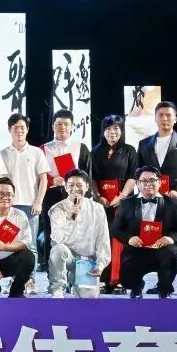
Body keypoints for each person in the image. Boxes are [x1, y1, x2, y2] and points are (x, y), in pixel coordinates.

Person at [136, 101, 177, 296]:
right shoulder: (144, 144)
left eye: (168, 115)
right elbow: (138, 172)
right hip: (154, 200)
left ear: (175, 118)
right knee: (159, 241)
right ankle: (163, 282)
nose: (165, 118)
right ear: (155, 118)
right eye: (161, 115)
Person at [111, 166, 177, 299]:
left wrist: (170, 239)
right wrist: (129, 239)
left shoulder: (173, 203)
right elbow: (115, 230)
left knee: (173, 254)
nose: (148, 184)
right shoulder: (126, 204)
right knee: (127, 278)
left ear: (160, 182)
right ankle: (137, 286)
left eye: (152, 180)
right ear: (137, 183)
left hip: (162, 248)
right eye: (144, 181)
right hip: (137, 249)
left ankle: (164, 290)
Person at [40, 109, 93, 276]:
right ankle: (53, 275)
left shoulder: (81, 147)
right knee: (51, 233)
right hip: (51, 195)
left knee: (77, 233)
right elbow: (38, 175)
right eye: (58, 124)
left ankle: (77, 274)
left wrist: (84, 199)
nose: (62, 127)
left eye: (66, 124)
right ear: (53, 126)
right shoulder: (44, 148)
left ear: (71, 127)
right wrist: (51, 180)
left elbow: (88, 175)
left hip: (75, 197)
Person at [90, 114, 138, 288]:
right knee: (102, 238)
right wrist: (97, 196)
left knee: (120, 239)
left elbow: (133, 176)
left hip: (122, 201)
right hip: (101, 202)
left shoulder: (129, 150)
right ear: (103, 131)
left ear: (121, 130)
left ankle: (119, 280)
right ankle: (103, 279)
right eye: (108, 128)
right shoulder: (95, 151)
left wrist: (122, 196)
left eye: (116, 128)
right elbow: (91, 177)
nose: (112, 132)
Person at [47, 169, 111, 298]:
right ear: (65, 187)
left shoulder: (97, 209)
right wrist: (69, 219)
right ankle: (57, 288)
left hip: (87, 260)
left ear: (87, 186)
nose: (75, 189)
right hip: (68, 257)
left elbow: (103, 239)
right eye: (71, 185)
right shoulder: (57, 209)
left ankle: (75, 281)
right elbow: (56, 238)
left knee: (89, 299)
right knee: (58, 249)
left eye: (79, 185)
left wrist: (100, 265)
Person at [0, 114, 49, 267]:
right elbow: (0, 181)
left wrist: (38, 202)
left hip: (30, 206)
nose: (19, 131)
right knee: (8, 243)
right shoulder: (3, 153)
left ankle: (30, 278)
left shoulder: (36, 152)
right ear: (9, 130)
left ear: (27, 129)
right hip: (10, 206)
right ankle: (14, 277)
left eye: (22, 127)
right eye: (15, 128)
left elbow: (44, 179)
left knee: (30, 244)